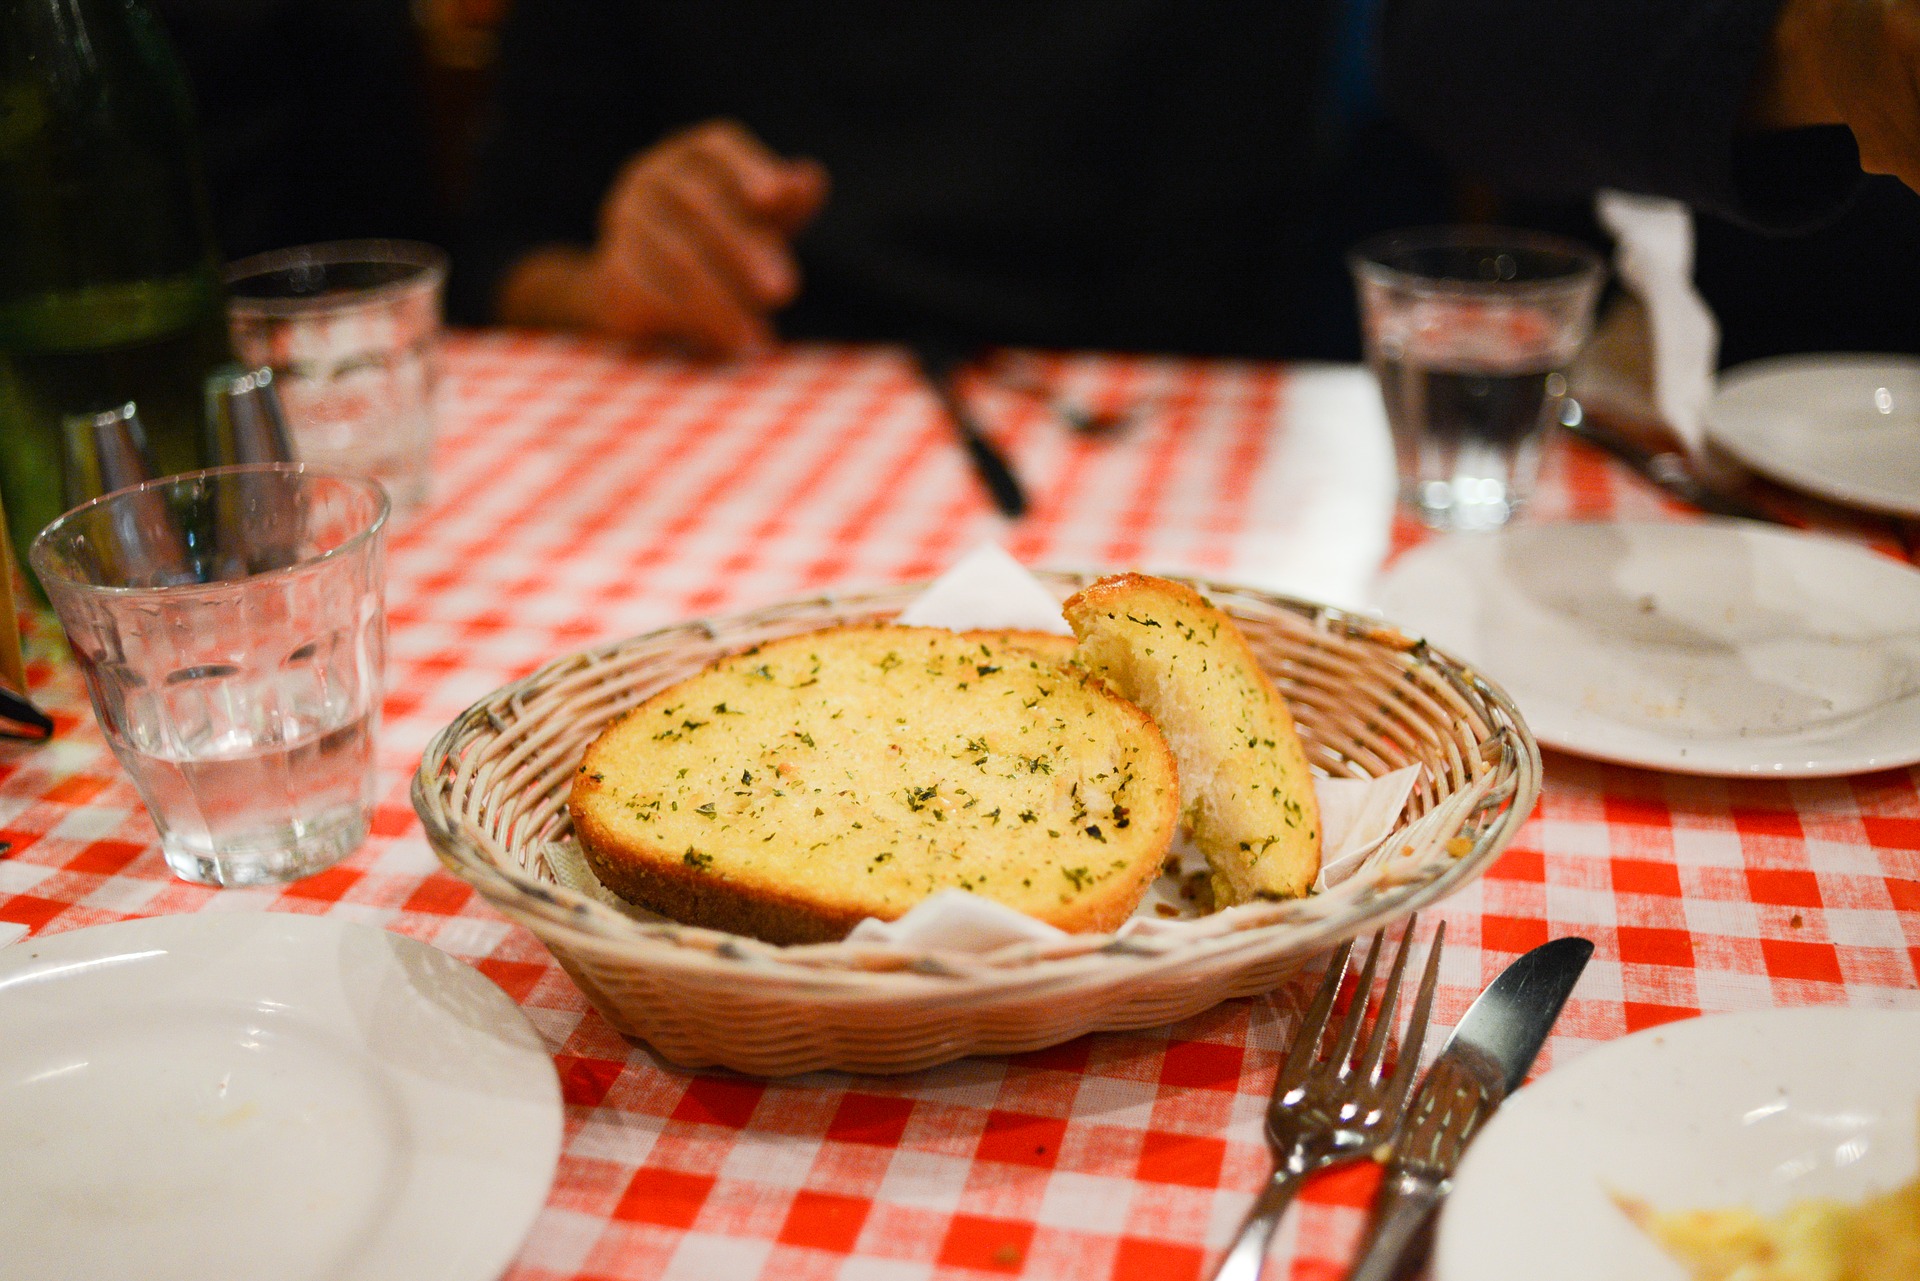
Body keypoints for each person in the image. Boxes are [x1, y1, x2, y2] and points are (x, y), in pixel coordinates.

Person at [452, 0, 1916, 362]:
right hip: (744, 426)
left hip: (1180, 441)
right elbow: (495, 248)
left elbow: (1450, 66)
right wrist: (613, 276)